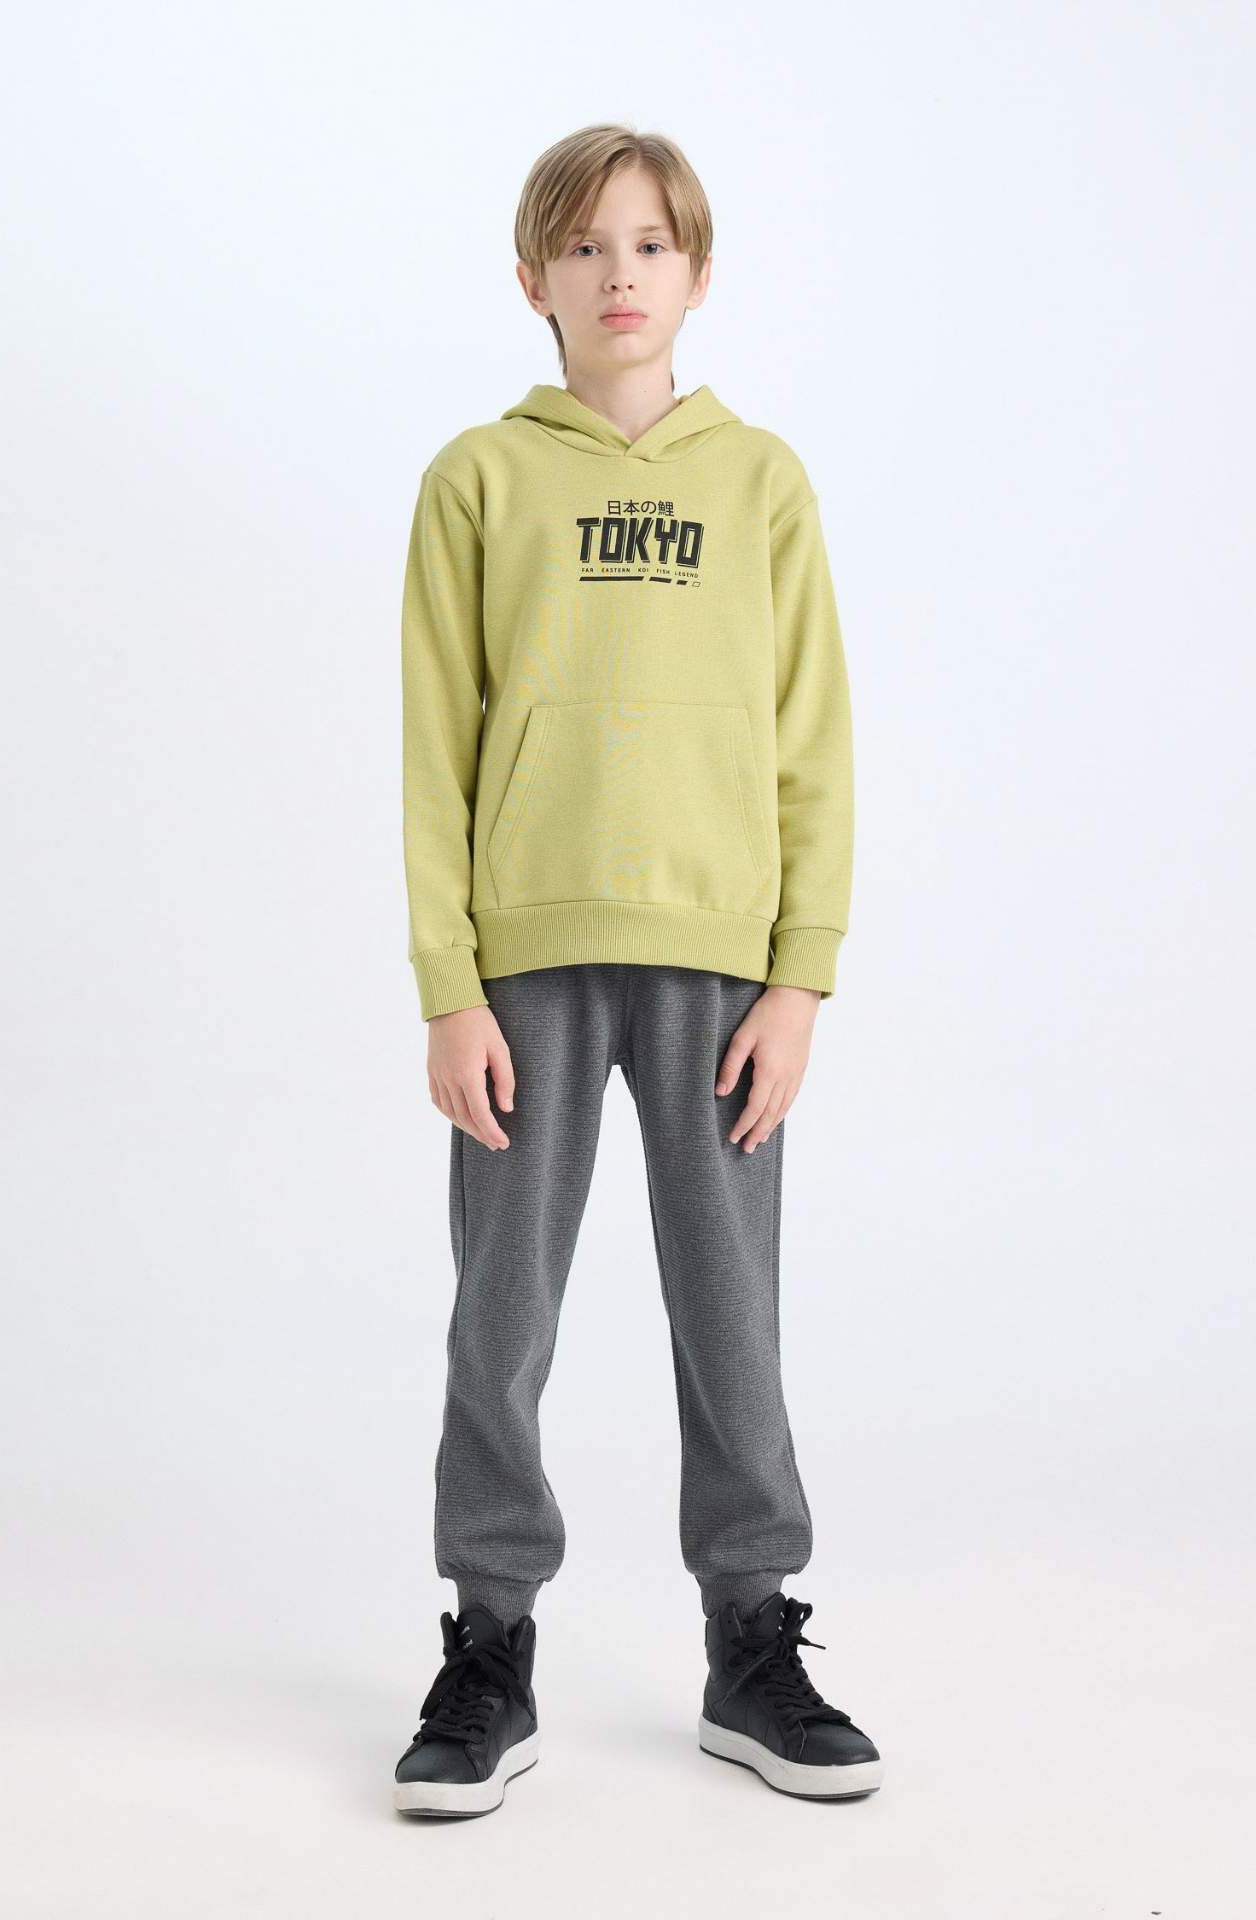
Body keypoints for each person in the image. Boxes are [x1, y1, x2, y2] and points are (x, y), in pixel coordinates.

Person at [393, 122, 882, 1818]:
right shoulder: (478, 479)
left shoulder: (762, 484)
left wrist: (799, 977)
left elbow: (813, 740)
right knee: (501, 1312)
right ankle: (489, 1642)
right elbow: (433, 744)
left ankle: (751, 1638)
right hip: (525, 963)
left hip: (718, 970)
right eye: (588, 246)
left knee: (731, 1309)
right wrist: (448, 983)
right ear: (533, 276)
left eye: (652, 245)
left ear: (698, 273)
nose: (620, 275)